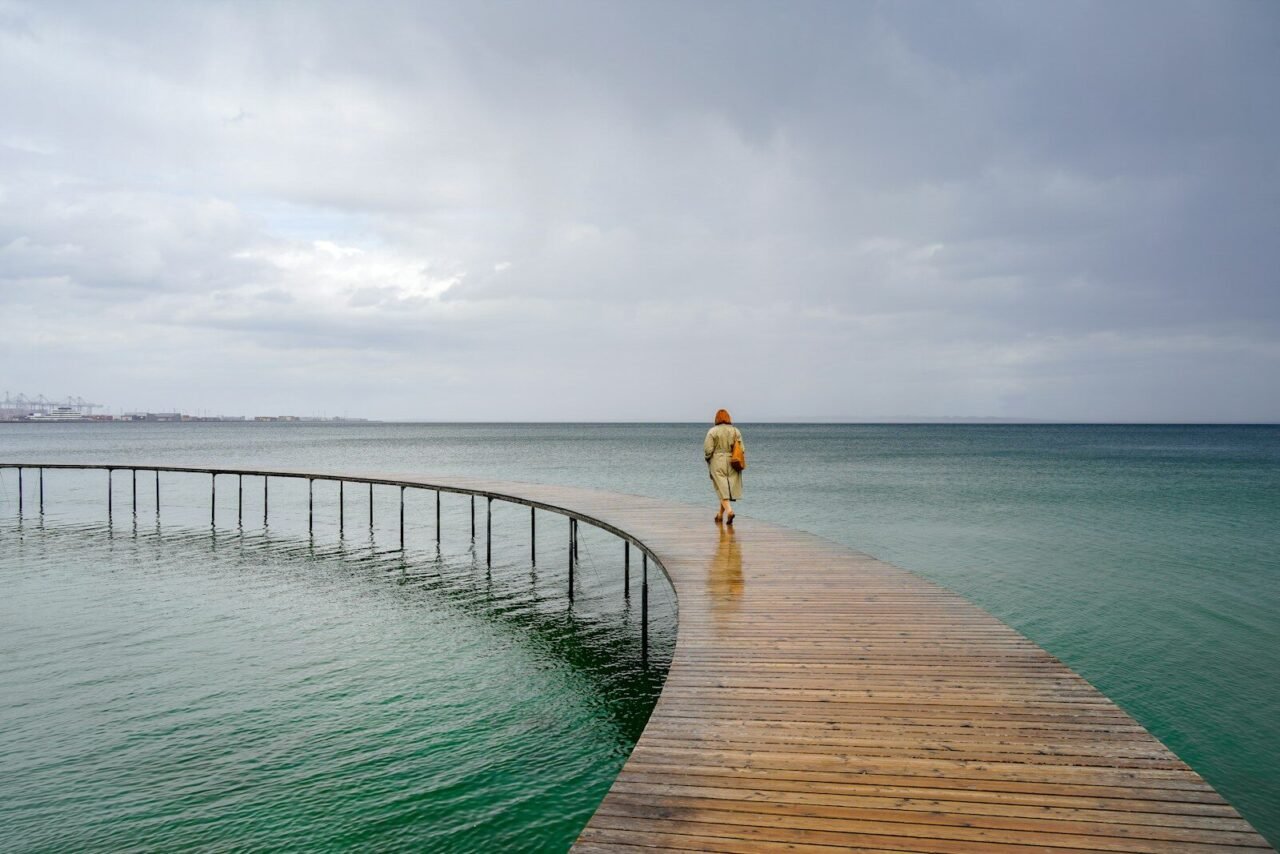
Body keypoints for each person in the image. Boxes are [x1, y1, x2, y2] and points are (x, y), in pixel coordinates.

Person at [704, 408, 744, 524]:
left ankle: (730, 511)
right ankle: (720, 515)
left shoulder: (712, 431)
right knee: (725, 488)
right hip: (733, 460)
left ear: (716, 418)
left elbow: (708, 450)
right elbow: (742, 449)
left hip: (717, 460)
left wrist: (708, 458)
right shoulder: (736, 431)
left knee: (720, 488)